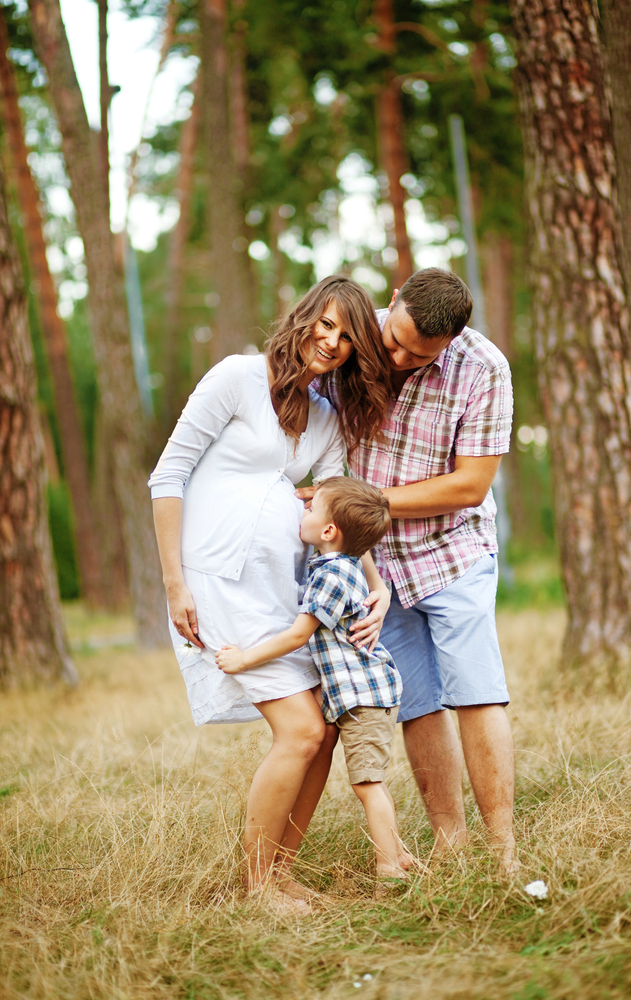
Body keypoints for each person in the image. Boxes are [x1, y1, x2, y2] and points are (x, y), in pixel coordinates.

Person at [149, 276, 393, 912]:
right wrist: (175, 582)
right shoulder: (236, 377)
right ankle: (258, 887)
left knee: (325, 731)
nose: (332, 342)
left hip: (283, 589)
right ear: (305, 316)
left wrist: (377, 586)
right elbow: (168, 474)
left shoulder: (326, 418)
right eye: (327, 324)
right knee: (301, 730)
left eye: (348, 337)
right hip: (217, 578)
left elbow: (340, 503)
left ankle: (280, 874)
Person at [301, 267, 517, 874]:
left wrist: (363, 501)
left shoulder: (484, 369)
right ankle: (451, 842)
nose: (396, 358)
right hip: (375, 563)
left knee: (476, 692)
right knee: (417, 701)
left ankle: (502, 852)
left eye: (418, 356)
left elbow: (470, 485)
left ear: (450, 343)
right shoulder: (351, 338)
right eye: (394, 341)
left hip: (453, 551)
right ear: (393, 300)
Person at [216, 477, 406, 885]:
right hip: (363, 694)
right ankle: (399, 855)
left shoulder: (331, 575)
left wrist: (245, 659)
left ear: (329, 530)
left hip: (364, 698)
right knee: (370, 780)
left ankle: (390, 867)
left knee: (368, 784)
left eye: (311, 508)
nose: (303, 512)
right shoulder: (338, 567)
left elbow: (297, 636)